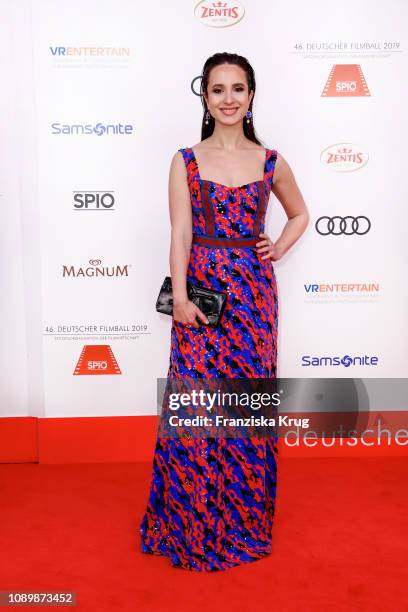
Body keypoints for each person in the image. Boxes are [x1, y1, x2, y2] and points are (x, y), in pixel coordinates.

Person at [139, 52, 309, 571]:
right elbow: (182, 234)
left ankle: (241, 520)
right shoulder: (185, 159)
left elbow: (301, 213)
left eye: (238, 89)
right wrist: (183, 299)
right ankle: (188, 521)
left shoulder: (271, 160)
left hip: (254, 298)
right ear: (205, 97)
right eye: (218, 90)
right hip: (203, 299)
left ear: (252, 96)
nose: (229, 99)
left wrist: (277, 245)